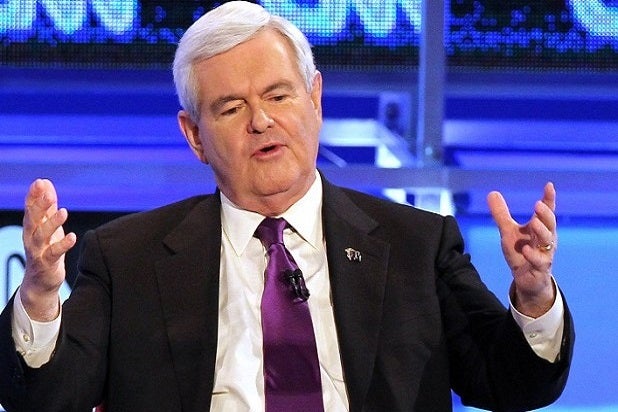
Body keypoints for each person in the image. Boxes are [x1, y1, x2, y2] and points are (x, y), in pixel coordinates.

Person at [0, 1, 573, 411]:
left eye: (278, 95)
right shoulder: (126, 257)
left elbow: (512, 382)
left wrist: (533, 298)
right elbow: (47, 396)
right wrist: (41, 298)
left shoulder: (417, 246)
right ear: (194, 135)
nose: (261, 121)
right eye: (231, 108)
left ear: (315, 99)